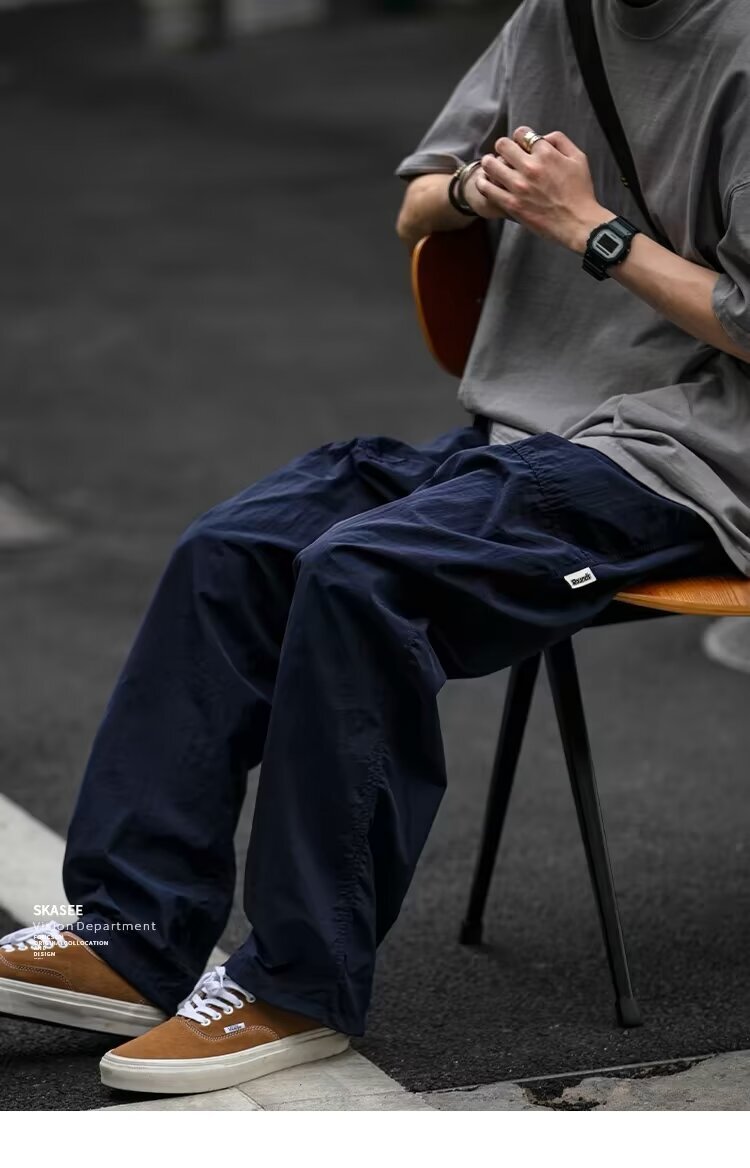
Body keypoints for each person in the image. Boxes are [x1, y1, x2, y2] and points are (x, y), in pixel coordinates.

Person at [2, 0, 749, 1097]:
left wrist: (590, 228)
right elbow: (420, 202)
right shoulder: (558, 18)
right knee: (235, 548)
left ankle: (298, 986)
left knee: (364, 575)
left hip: (690, 460)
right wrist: (479, 190)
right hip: (529, 430)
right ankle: (130, 936)